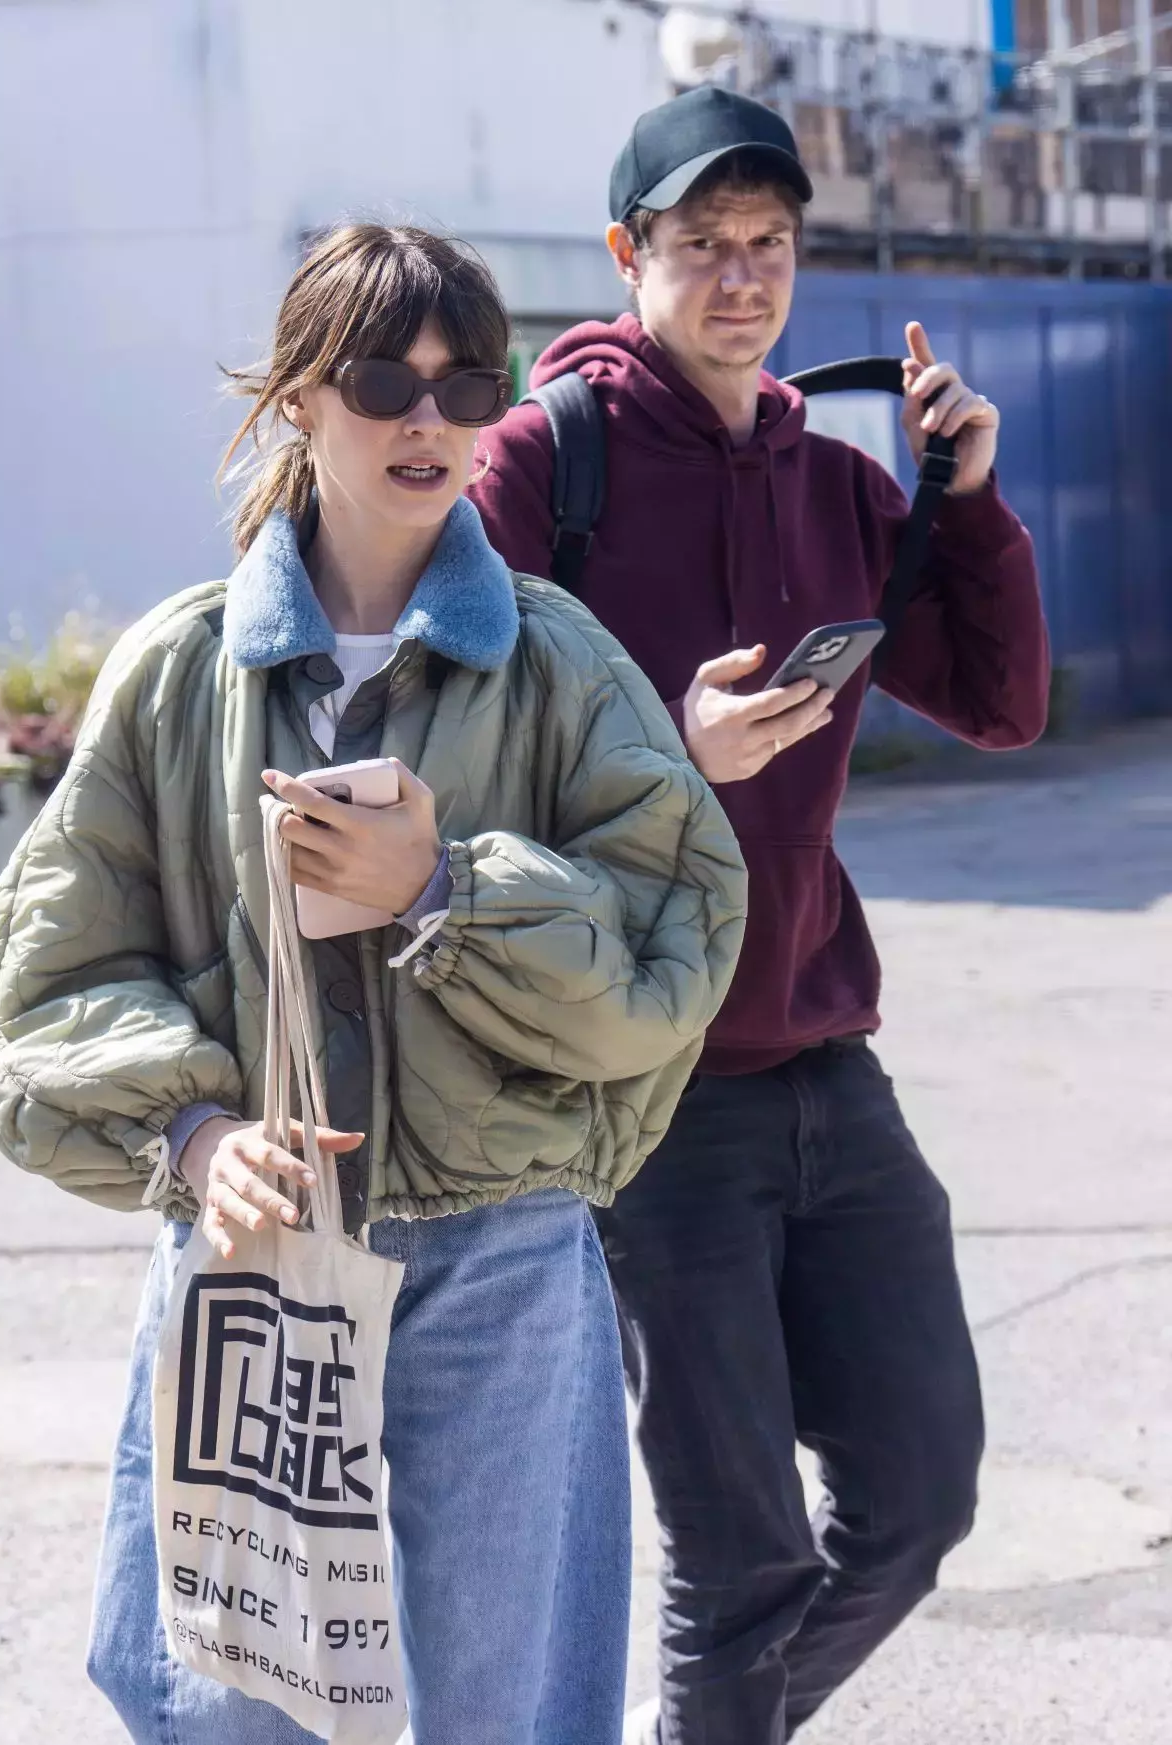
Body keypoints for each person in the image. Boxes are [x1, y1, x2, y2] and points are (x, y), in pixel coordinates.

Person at [0, 221, 746, 1745]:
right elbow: (32, 995)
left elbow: (673, 958)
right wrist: (194, 1141)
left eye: (471, 385)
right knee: (219, 1707)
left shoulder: (561, 667)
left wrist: (443, 894)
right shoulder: (181, 672)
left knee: (508, 1711)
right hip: (251, 1261)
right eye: (386, 379)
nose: (431, 421)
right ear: (300, 399)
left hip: (504, 1256)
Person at [470, 87, 1050, 1744]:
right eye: (703, 246)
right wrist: (678, 748)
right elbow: (456, 751)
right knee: (739, 1571)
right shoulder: (539, 469)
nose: (741, 279)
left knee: (920, 1499)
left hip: (824, 1060)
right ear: (627, 257)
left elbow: (1004, 706)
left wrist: (971, 496)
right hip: (648, 1090)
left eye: (770, 247)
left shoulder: (832, 478)